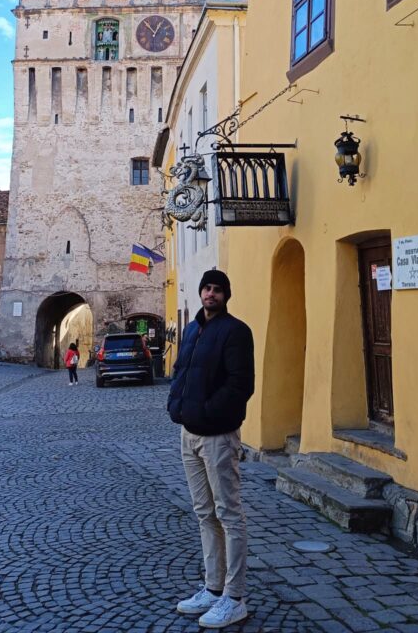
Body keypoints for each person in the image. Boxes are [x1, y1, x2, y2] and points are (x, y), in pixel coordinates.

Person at [167, 269, 254, 630]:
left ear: (225, 295)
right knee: (204, 514)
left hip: (218, 436)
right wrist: (177, 405)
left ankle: (234, 597)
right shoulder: (192, 329)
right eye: (207, 288)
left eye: (218, 290)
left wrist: (205, 412)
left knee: (229, 515)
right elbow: (181, 371)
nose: (211, 294)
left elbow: (240, 385)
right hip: (189, 434)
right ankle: (213, 586)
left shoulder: (235, 331)